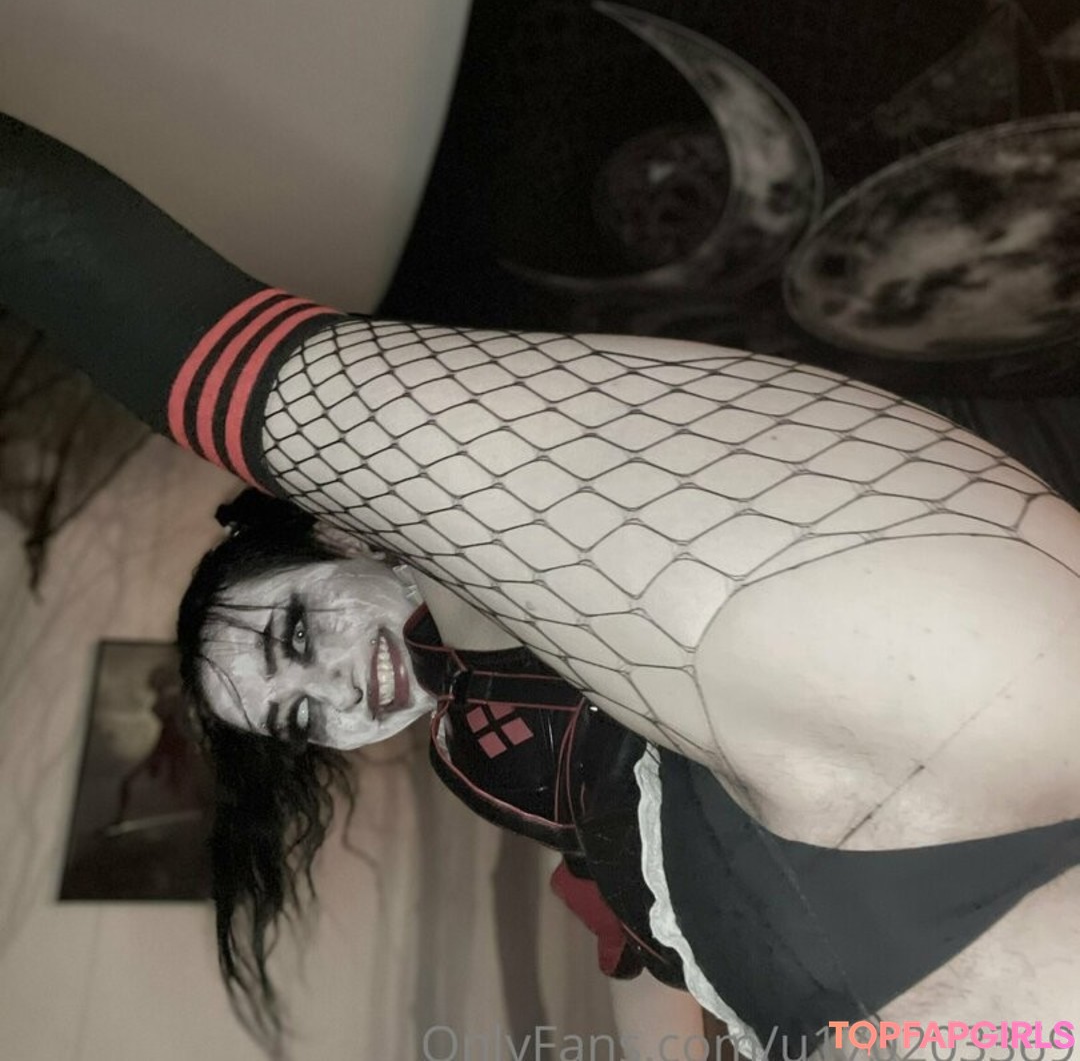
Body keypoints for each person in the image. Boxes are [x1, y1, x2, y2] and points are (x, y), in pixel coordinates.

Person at [4, 116, 1080, 1057]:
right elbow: (657, 949)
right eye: (298, 717)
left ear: (339, 535)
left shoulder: (508, 559)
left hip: (910, 774)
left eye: (296, 631)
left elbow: (200, 350)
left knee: (213, 364)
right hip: (886, 948)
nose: (336, 689)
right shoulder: (488, 752)